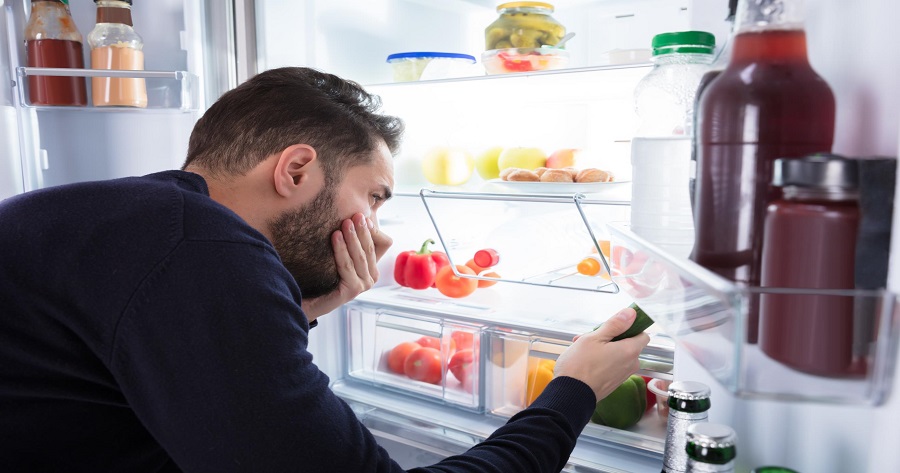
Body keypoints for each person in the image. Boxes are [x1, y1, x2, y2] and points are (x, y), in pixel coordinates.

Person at [0, 67, 651, 472]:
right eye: (372, 197)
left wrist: (305, 305)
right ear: (296, 170)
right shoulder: (202, 247)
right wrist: (574, 390)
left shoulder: (149, 224)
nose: (377, 229)